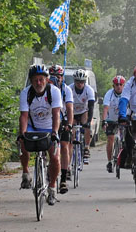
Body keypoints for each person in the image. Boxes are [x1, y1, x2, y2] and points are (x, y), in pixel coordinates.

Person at [18, 64, 62, 205]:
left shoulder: (54, 92)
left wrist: (55, 132)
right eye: (35, 80)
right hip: (33, 126)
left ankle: (52, 187)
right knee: (22, 143)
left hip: (49, 128)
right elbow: (24, 116)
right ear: (31, 81)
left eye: (41, 79)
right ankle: (26, 173)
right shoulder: (26, 93)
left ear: (46, 80)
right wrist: (22, 134)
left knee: (55, 157)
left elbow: (56, 114)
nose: (38, 83)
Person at [49, 64, 75, 193]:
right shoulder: (46, 89)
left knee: (64, 146)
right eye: (53, 76)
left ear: (62, 77)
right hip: (49, 119)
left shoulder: (66, 90)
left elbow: (70, 108)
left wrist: (69, 124)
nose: (56, 79)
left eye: (58, 76)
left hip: (63, 118)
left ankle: (63, 179)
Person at [71, 68, 96, 164]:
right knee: (71, 127)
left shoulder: (89, 90)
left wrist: (89, 121)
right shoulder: (70, 89)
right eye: (77, 81)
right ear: (74, 81)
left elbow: (91, 106)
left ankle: (86, 147)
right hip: (73, 112)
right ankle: (72, 144)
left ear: (85, 82)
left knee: (87, 124)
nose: (79, 84)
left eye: (82, 82)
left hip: (83, 111)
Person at [102, 75, 125, 173]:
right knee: (110, 138)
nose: (119, 86)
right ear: (113, 85)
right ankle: (110, 161)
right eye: (116, 85)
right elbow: (106, 108)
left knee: (126, 139)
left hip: (123, 119)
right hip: (111, 119)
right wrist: (104, 121)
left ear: (123, 85)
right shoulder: (109, 94)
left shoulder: (127, 93)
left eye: (121, 84)